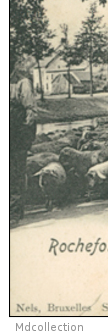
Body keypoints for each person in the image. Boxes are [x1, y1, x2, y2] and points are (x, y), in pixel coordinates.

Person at [10, 71, 37, 226]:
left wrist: (25, 138)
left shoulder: (22, 82)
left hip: (17, 133)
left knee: (15, 173)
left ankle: (14, 212)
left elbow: (30, 112)